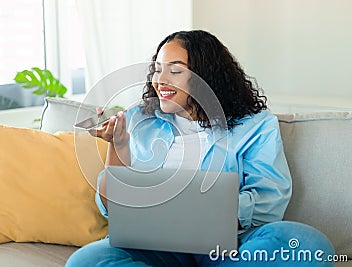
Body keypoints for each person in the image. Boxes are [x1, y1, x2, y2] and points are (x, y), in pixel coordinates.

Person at [66, 30, 334, 266]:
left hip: (229, 248)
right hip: (156, 248)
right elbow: (112, 205)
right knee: (87, 260)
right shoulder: (139, 119)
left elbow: (269, 202)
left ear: (206, 76)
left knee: (306, 244)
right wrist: (119, 144)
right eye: (158, 68)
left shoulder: (255, 126)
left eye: (176, 69)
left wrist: (202, 214)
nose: (160, 79)